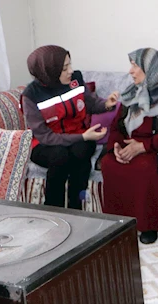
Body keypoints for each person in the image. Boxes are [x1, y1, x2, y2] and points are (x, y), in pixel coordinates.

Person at [101, 48, 158, 245]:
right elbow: (116, 126)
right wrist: (116, 147)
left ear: (150, 69)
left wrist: (143, 146)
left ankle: (147, 225)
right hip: (131, 144)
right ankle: (119, 223)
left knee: (145, 167)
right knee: (110, 163)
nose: (130, 71)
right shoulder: (132, 93)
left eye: (135, 65)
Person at [22, 45, 118, 209]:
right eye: (65, 68)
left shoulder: (75, 79)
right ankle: (54, 209)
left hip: (79, 138)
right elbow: (46, 137)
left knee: (81, 151)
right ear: (49, 71)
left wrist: (107, 105)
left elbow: (90, 103)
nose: (70, 71)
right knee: (60, 156)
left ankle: (77, 207)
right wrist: (82, 137)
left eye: (70, 65)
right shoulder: (31, 95)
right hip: (46, 144)